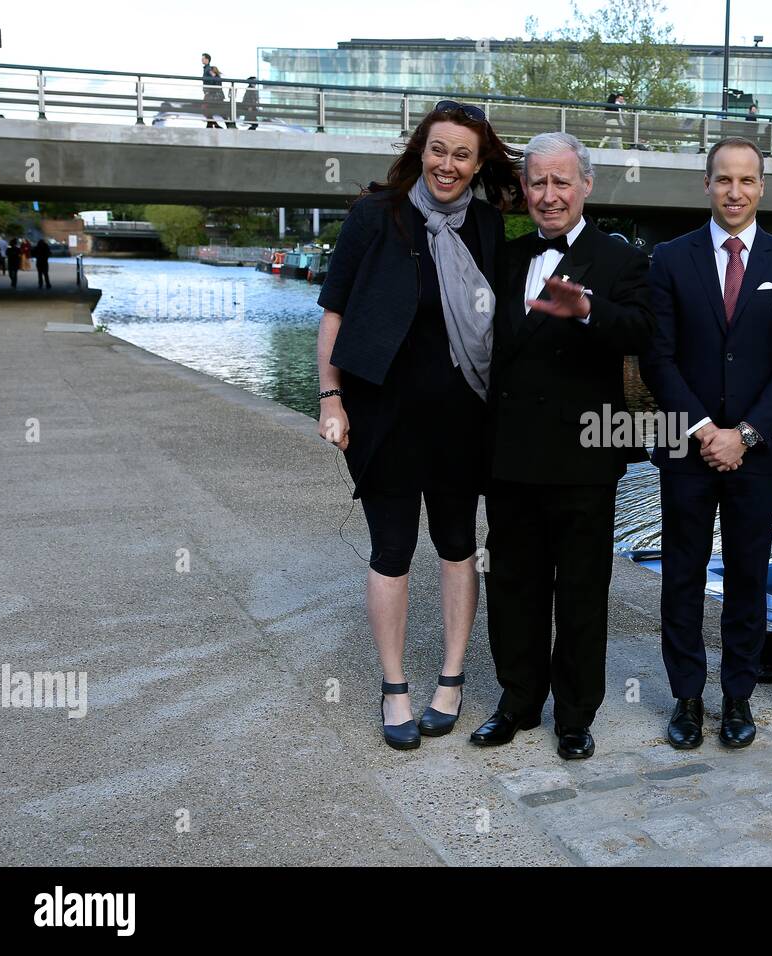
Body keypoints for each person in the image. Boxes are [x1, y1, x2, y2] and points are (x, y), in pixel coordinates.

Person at [315, 100, 519, 750]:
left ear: (478, 161)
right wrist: (331, 399)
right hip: (385, 417)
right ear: (420, 150)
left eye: (463, 154)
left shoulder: (486, 225)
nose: (448, 165)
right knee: (392, 551)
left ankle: (451, 679)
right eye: (439, 150)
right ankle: (395, 686)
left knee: (459, 545)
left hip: (463, 418)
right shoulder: (376, 216)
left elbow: (501, 322)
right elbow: (334, 315)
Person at [471, 132, 656, 759]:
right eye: (538, 183)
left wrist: (586, 310)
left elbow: (642, 330)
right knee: (513, 586)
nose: (550, 195)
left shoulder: (620, 259)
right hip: (511, 455)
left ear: (586, 186)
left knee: (581, 592)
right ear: (524, 190)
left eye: (561, 182)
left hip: (585, 456)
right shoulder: (504, 252)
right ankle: (517, 701)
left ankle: (576, 715)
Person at [639, 136, 772, 750]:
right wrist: (703, 431)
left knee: (747, 575)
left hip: (758, 451)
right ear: (706, 185)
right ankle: (687, 698)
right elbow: (657, 359)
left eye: (746, 180)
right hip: (686, 448)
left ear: (762, 186)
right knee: (682, 575)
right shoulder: (669, 258)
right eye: (723, 180)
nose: (734, 191)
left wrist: (743, 434)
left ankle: (738, 696)